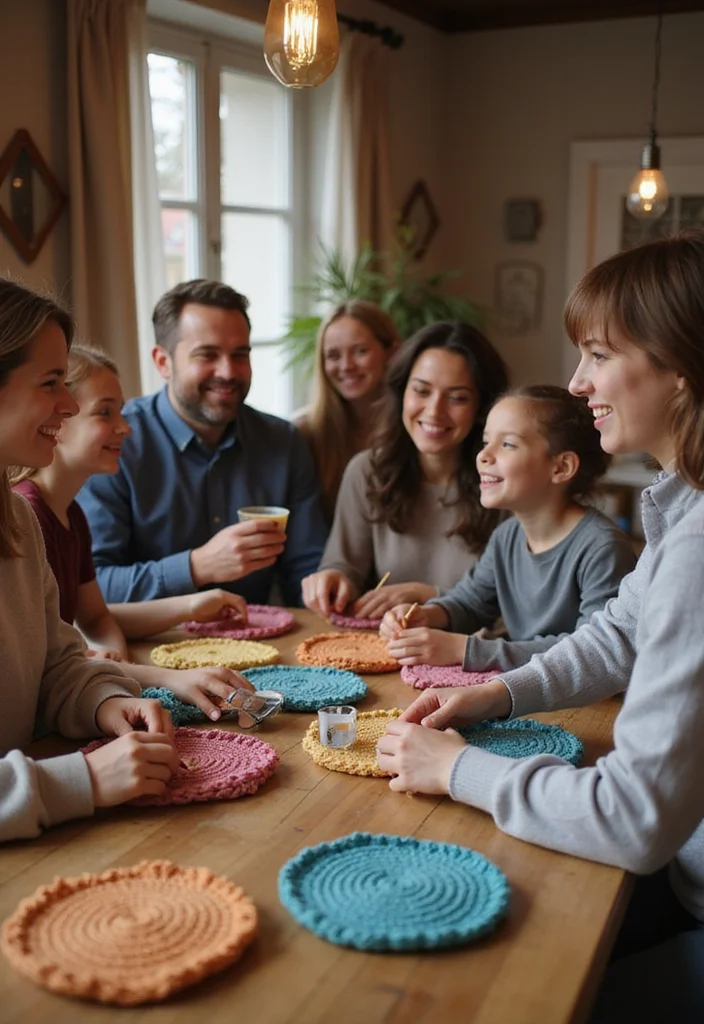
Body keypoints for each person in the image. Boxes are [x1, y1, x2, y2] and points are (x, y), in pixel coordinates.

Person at [375, 233, 704, 1023]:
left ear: (681, 366)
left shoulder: (696, 543)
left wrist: (458, 772)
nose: (577, 380)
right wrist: (493, 696)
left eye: (597, 354)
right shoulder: (682, 500)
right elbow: (617, 635)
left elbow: (632, 821)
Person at [0, 279, 178, 842]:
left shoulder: (16, 521)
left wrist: (106, 700)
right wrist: (81, 780)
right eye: (51, 383)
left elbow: (54, 664)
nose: (69, 404)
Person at [12, 344, 254, 722]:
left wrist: (114, 650)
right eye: (105, 413)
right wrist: (166, 677)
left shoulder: (71, 513)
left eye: (122, 412)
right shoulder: (28, 514)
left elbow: (95, 617)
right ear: (60, 419)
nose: (125, 428)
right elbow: (55, 661)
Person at [77, 279, 328, 606]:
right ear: (163, 362)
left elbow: (308, 568)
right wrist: (195, 567)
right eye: (207, 355)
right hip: (146, 648)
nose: (228, 371)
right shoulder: (116, 442)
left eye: (240, 355)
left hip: (265, 644)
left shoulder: (283, 442)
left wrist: (327, 589)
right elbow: (92, 586)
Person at [380, 385, 636, 672]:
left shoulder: (601, 547)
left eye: (508, 445)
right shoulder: (507, 536)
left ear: (561, 467)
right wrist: (427, 616)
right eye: (486, 441)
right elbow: (472, 603)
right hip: (527, 691)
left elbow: (592, 652)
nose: (484, 456)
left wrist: (462, 649)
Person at [302, 321, 509, 620]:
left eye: (457, 398)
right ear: (402, 392)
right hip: (385, 650)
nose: (434, 412)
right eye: (422, 391)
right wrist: (333, 580)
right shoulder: (366, 471)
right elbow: (344, 566)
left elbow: (519, 609)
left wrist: (430, 596)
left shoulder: (508, 482)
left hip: (474, 656)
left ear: (481, 409)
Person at [294, 301, 400, 523]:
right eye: (333, 356)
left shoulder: (416, 428)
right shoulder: (304, 432)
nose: (346, 366)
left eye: (360, 351)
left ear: (391, 352)